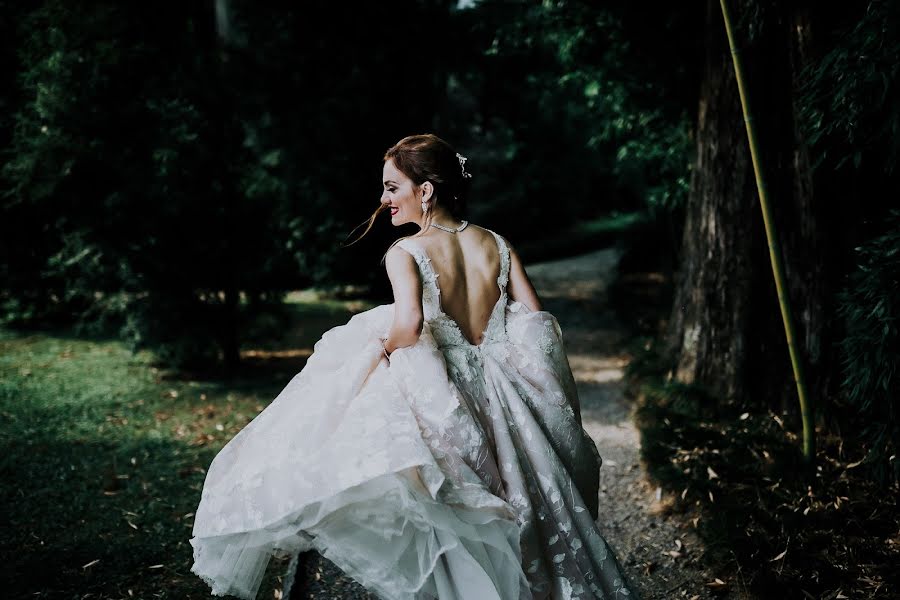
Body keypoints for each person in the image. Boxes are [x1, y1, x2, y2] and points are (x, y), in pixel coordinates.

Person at [190, 134, 637, 599]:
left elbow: (410, 322)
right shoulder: (498, 245)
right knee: (532, 506)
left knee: (466, 513)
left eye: (391, 187)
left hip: (451, 389)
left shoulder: (405, 253)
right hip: (508, 390)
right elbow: (536, 318)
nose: (383, 201)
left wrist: (380, 348)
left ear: (424, 190)